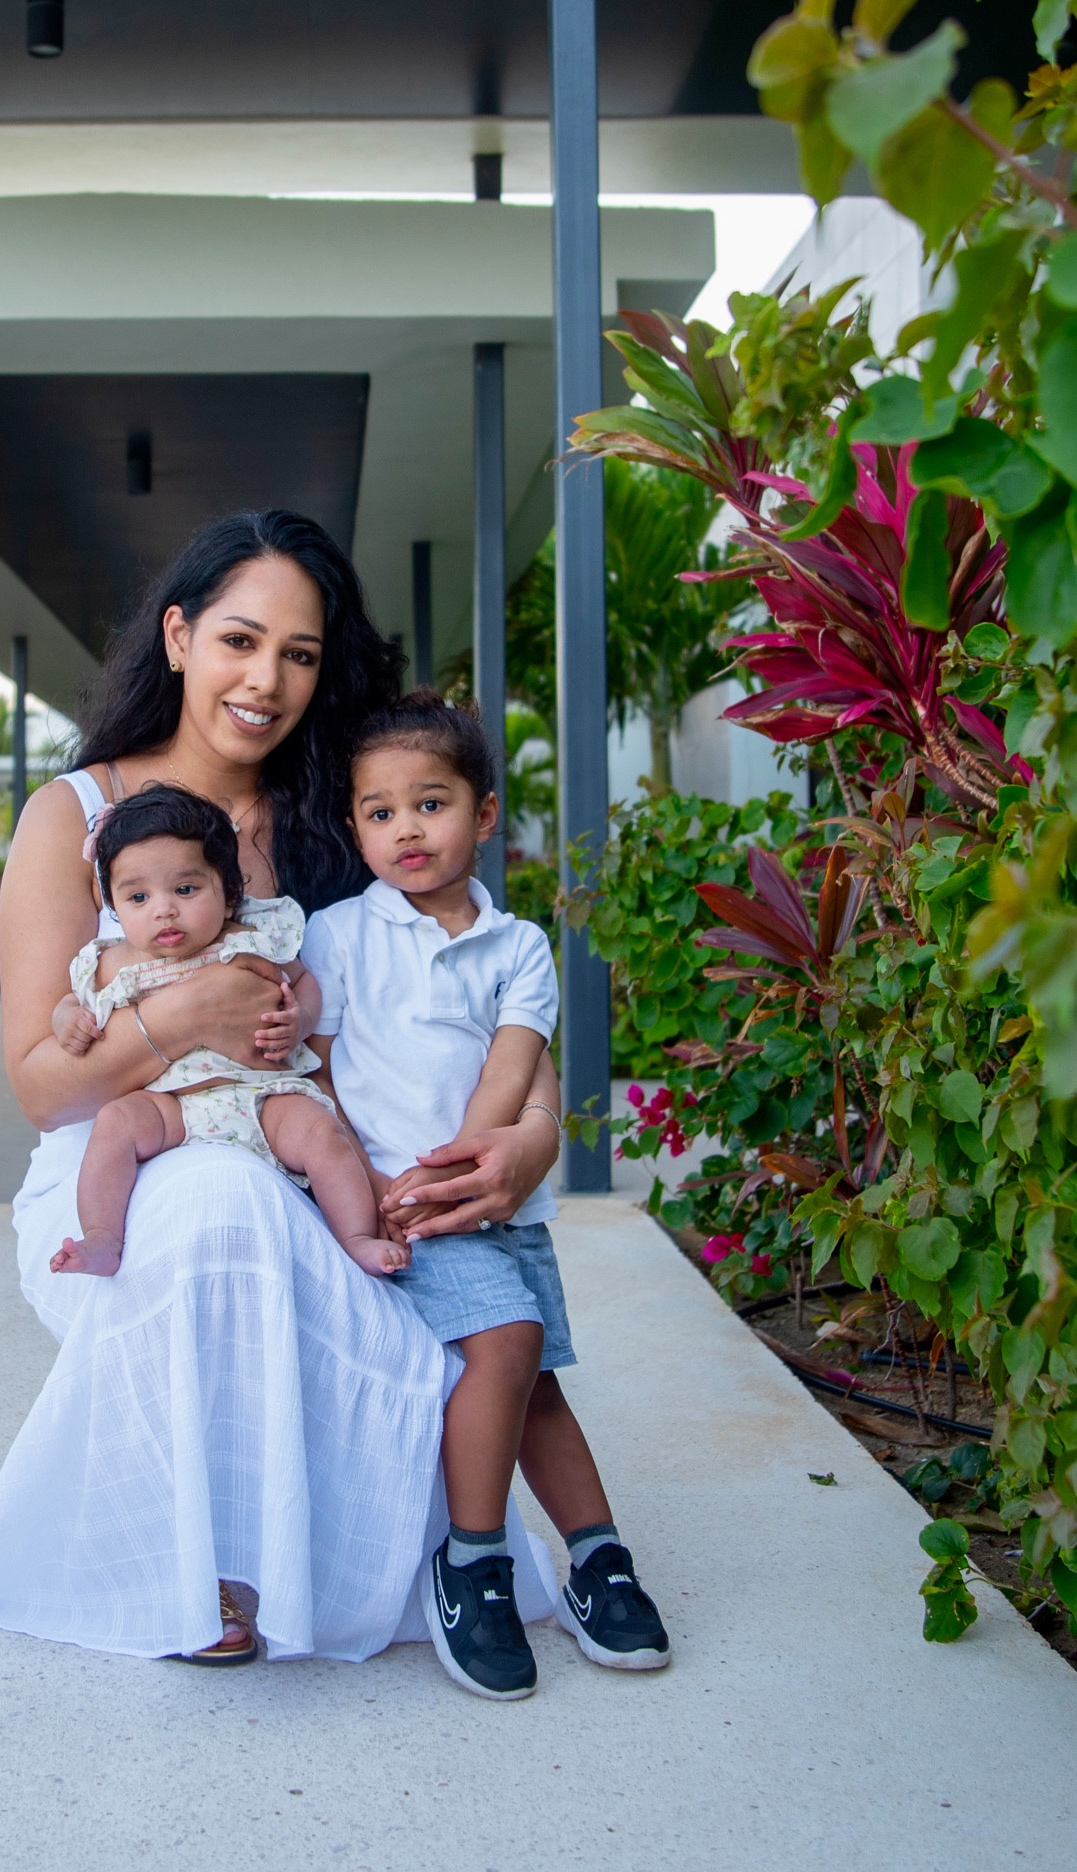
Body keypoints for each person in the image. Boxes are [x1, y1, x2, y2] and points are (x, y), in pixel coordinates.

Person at [0, 512, 563, 1667]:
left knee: (319, 1222)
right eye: (239, 641)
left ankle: (391, 1550)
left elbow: (474, 982)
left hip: (316, 1165)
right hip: (125, 1169)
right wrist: (184, 1015)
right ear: (178, 635)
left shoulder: (347, 812)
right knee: (218, 1194)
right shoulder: (75, 817)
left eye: (298, 654)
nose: (265, 681)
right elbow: (42, 1089)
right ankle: (192, 1560)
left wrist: (536, 1131)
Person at [302, 691, 672, 1701]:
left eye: (431, 803)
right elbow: (316, 1072)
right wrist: (373, 1185)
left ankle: (597, 1558)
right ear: (354, 829)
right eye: (379, 812)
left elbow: (510, 1071)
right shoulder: (338, 934)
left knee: (535, 1381)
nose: (406, 829)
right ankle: (470, 1563)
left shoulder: (518, 947)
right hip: (404, 1208)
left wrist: (472, 1170)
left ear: (485, 812)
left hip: (497, 1203)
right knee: (507, 1343)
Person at [47, 783, 402, 1280]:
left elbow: (304, 982)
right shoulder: (109, 964)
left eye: (185, 890)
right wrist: (67, 1020)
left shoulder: (252, 938)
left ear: (230, 893)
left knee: (323, 1133)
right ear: (113, 904)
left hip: (263, 1096)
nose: (163, 910)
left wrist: (299, 1021)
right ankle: (104, 1237)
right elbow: (71, 1001)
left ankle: (357, 1236)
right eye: (138, 897)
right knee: (114, 1123)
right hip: (172, 1106)